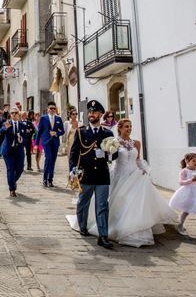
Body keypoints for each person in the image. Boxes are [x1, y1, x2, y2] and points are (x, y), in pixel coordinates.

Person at [105, 119, 175, 246]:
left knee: (135, 201)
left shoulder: (136, 143)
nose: (129, 129)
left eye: (130, 126)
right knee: (121, 200)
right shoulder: (114, 142)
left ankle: (137, 226)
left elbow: (138, 159)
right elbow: (110, 159)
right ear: (119, 128)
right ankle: (118, 225)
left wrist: (143, 169)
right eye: (126, 126)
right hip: (121, 175)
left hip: (135, 175)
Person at [67, 99, 118, 249]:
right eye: (90, 112)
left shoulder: (108, 133)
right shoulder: (81, 132)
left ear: (101, 114)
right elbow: (74, 153)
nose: (92, 114)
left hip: (102, 175)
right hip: (86, 174)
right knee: (83, 202)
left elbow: (115, 155)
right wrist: (72, 170)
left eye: (95, 112)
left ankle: (103, 236)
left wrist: (106, 154)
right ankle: (82, 226)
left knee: (102, 206)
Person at [37, 101, 65, 187]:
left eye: (54, 108)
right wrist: (36, 144)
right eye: (51, 108)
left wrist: (56, 133)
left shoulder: (58, 119)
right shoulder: (43, 118)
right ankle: (45, 179)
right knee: (48, 158)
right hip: (46, 141)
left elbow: (62, 131)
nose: (52, 110)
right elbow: (39, 131)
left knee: (53, 161)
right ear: (47, 109)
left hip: (55, 142)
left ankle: (50, 180)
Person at [0, 108, 25, 197]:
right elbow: (1, 132)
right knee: (10, 169)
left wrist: (22, 140)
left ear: (19, 114)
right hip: (8, 151)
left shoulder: (22, 125)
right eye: (12, 113)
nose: (14, 114)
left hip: (19, 151)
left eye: (16, 113)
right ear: (10, 115)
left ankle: (12, 181)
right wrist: (5, 129)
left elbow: (27, 138)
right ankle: (12, 189)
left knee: (20, 169)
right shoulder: (7, 123)